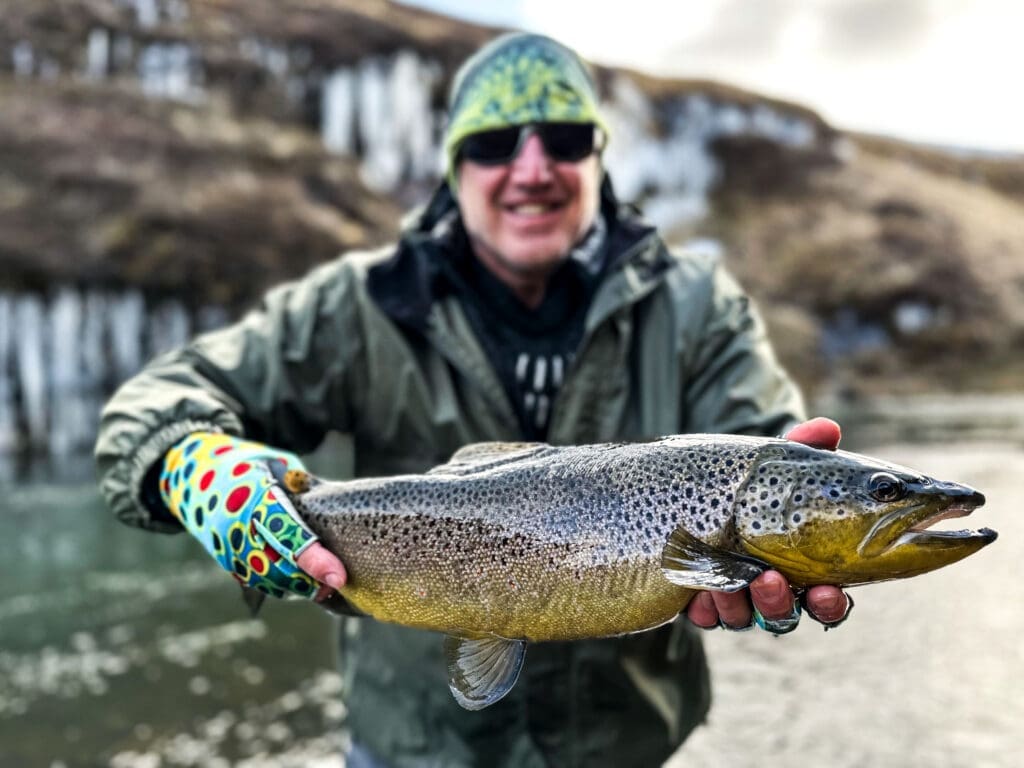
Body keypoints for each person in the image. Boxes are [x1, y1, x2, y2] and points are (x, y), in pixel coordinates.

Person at [96, 33, 850, 768]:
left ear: (598, 160)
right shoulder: (358, 304)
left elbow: (758, 440)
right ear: (455, 168)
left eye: (563, 140)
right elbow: (155, 402)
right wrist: (196, 466)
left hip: (624, 747)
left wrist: (791, 476)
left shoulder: (695, 307)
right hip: (410, 750)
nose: (533, 169)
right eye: (495, 144)